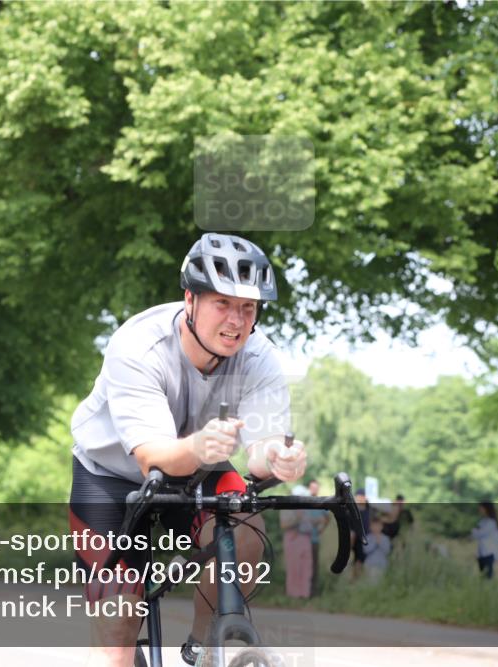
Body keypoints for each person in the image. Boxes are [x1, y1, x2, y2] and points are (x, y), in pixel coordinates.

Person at [68, 233, 308, 667]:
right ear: (190, 299)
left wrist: (278, 459)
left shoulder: (260, 358)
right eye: (223, 304)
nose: (236, 321)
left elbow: (261, 449)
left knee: (245, 525)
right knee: (117, 624)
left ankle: (201, 649)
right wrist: (199, 444)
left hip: (200, 467)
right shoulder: (138, 346)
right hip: (110, 475)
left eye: (248, 308)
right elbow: (154, 458)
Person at [280, 485, 314, 598]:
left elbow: (310, 524)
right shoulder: (287, 508)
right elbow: (284, 525)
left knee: (307, 568)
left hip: (306, 538)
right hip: (292, 538)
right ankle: (293, 595)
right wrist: (297, 519)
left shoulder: (307, 509)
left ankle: (304, 595)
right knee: (294, 568)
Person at [306, 478, 330, 597]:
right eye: (312, 487)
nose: (314, 490)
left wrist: (321, 528)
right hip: (303, 538)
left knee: (314, 565)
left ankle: (312, 592)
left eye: (316, 487)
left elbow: (327, 518)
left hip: (314, 539)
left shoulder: (321, 502)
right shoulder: (303, 501)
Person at [471, 500, 498, 579]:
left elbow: (478, 533)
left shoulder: (491, 523)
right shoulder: (483, 521)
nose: (479, 510)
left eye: (481, 508)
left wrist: (475, 530)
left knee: (487, 578)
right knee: (483, 577)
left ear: (486, 509)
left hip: (489, 554)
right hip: (482, 553)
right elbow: (475, 533)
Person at [362, 509, 391, 582]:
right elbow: (366, 550)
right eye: (374, 526)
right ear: (370, 527)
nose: (376, 528)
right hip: (370, 563)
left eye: (378, 526)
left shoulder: (385, 538)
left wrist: (380, 542)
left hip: (382, 564)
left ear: (381, 526)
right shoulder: (367, 538)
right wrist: (375, 542)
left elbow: (387, 551)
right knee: (370, 583)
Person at [350, 488, 371, 580]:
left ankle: (359, 579)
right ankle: (355, 579)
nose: (359, 499)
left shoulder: (370, 509)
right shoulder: (352, 510)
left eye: (361, 497)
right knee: (357, 560)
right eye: (358, 497)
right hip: (356, 539)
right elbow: (351, 529)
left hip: (368, 538)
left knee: (363, 560)